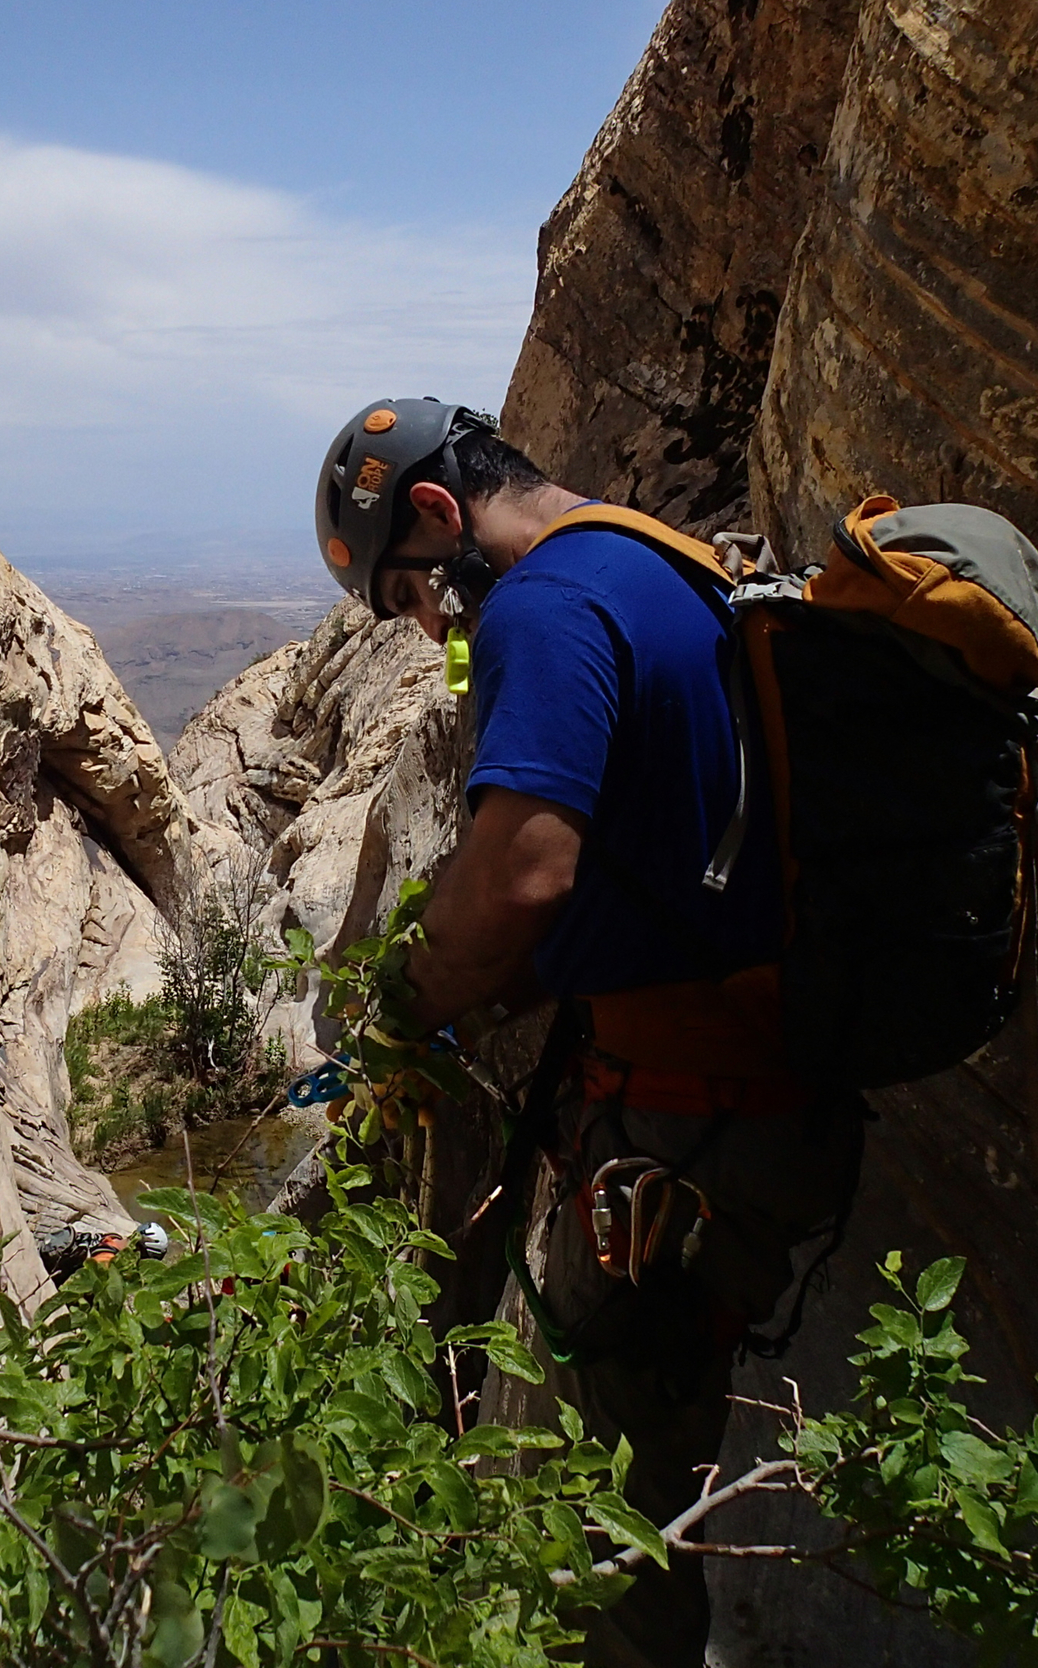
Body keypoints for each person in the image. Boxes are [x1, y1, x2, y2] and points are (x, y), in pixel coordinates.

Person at [313, 398, 864, 1668]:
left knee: (601, 1524)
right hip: (741, 1104)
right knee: (630, 1482)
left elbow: (518, 876)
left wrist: (405, 1007)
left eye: (409, 591)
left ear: (439, 514)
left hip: (691, 1124)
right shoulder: (652, 562)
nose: (429, 625)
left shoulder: (544, 607)